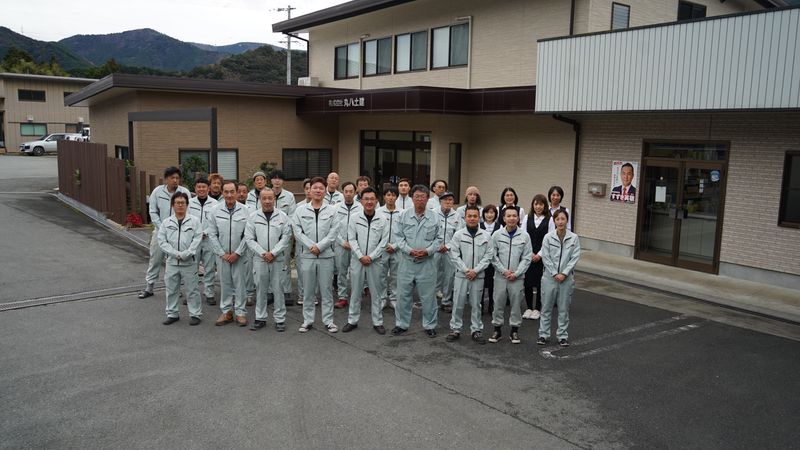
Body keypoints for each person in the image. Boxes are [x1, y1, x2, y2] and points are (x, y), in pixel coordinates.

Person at [392, 184, 441, 337]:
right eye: (417, 196)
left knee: (428, 297)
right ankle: (401, 324)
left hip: (427, 263)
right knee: (403, 296)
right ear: (412, 198)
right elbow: (398, 237)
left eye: (423, 196)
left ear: (427, 198)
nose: (420, 199)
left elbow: (439, 239)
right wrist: (409, 250)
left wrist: (428, 251)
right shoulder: (403, 215)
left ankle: (430, 325)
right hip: (407, 262)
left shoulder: (435, 217)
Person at [293, 177, 339, 333]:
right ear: (309, 190)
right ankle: (307, 320)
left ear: (325, 191)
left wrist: (319, 247)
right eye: (315, 188)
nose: (318, 190)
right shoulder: (300, 210)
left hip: (326, 256)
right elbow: (297, 232)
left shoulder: (332, 210)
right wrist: (311, 246)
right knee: (308, 291)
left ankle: (328, 321)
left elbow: (333, 232)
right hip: (307, 256)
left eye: (321, 188)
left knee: (326, 290)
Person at [138, 166, 191, 299]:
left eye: (177, 178)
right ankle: (149, 287)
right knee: (155, 259)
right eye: (172, 178)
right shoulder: (157, 192)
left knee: (175, 262)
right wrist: (162, 227)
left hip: (178, 233)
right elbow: (153, 211)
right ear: (166, 179)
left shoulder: (184, 192)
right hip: (159, 231)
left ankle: (175, 288)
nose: (175, 180)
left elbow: (188, 211)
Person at [342, 187, 390, 334]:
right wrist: (360, 256)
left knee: (376, 293)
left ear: (376, 201)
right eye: (366, 199)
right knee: (355, 292)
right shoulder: (355, 218)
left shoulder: (383, 219)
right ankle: (352, 320)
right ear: (361, 201)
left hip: (375, 261)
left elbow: (384, 241)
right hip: (358, 260)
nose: (369, 202)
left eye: (372, 199)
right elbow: (351, 239)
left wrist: (371, 257)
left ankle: (378, 322)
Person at [245, 188, 292, 332]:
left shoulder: (283, 217)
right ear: (259, 200)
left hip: (277, 259)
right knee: (261, 290)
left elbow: (286, 237)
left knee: (278, 290)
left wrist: (273, 253)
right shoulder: (253, 217)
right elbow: (249, 238)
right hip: (260, 259)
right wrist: (262, 253)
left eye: (270, 198)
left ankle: (280, 319)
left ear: (274, 199)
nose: (267, 201)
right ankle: (260, 318)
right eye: (264, 198)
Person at [447, 205, 494, 344]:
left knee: (476, 304)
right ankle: (455, 329)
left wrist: (476, 270)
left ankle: (476, 330)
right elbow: (454, 255)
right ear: (465, 218)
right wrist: (466, 270)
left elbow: (488, 256)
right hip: (462, 275)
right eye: (469, 216)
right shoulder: (458, 235)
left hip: (478, 276)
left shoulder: (486, 236)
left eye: (475, 216)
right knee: (458, 303)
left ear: (479, 218)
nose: (472, 218)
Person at [207, 181, 251, 327]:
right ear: (222, 193)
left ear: (237, 192)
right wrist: (222, 253)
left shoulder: (246, 211)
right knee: (225, 284)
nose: (229, 195)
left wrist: (238, 253)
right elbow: (212, 234)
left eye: (232, 191)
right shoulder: (215, 211)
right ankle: (226, 312)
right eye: (226, 192)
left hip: (240, 255)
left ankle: (240, 312)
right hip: (223, 256)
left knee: (240, 285)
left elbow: (248, 234)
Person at [158, 192, 204, 325]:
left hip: (189, 262)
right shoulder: (166, 222)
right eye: (177, 203)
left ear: (187, 205)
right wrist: (175, 254)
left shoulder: (195, 221)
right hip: (172, 262)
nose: (180, 205)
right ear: (172, 205)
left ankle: (195, 314)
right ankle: (172, 314)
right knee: (171, 289)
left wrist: (187, 253)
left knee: (192, 290)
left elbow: (197, 239)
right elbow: (162, 241)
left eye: (182, 203)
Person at [538, 209, 581, 347]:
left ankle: (562, 335)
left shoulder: (574, 238)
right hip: (549, 278)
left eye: (563, 219)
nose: (560, 222)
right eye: (557, 219)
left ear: (567, 220)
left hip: (566, 279)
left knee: (563, 309)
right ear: (554, 221)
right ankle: (543, 334)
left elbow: (575, 257)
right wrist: (554, 273)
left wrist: (564, 273)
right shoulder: (548, 237)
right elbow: (546, 257)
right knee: (546, 308)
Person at [489, 207, 532, 344]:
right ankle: (497, 330)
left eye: (514, 216)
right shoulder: (496, 235)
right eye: (509, 216)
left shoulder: (525, 236)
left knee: (516, 304)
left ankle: (514, 330)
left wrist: (517, 273)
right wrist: (503, 271)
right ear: (504, 218)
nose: (512, 218)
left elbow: (527, 257)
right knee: (498, 303)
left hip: (517, 277)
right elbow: (492, 256)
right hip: (500, 276)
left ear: (518, 218)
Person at [521, 194, 554, 320]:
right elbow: (523, 237)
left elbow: (550, 239)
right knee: (528, 282)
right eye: (536, 204)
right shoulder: (527, 217)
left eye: (541, 204)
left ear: (545, 206)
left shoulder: (550, 219)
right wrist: (529, 253)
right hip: (528, 255)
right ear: (532, 205)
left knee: (540, 283)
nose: (538, 207)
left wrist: (540, 254)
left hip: (542, 257)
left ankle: (538, 309)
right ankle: (529, 307)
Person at [187, 177, 219, 305]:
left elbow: (215, 222)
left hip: (209, 240)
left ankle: (209, 293)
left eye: (204, 187)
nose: (201, 189)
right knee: (192, 268)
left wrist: (205, 232)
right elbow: (187, 219)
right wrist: (196, 233)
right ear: (195, 189)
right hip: (193, 240)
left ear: (208, 188)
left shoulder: (215, 204)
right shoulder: (189, 203)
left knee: (209, 268)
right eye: (199, 187)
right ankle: (191, 294)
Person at [333, 182, 363, 309]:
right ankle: (342, 297)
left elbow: (362, 228)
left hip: (356, 246)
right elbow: (333, 228)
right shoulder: (336, 208)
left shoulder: (360, 207)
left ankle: (356, 297)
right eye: (346, 191)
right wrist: (342, 242)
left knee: (356, 273)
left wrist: (354, 243)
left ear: (355, 192)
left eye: (351, 191)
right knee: (341, 272)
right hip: (341, 245)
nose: (349, 194)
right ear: (342, 192)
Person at [270, 170, 297, 305]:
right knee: (270, 264)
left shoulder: (289, 196)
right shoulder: (266, 194)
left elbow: (292, 216)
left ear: (283, 181)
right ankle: (270, 292)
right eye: (274, 178)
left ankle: (286, 292)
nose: (277, 181)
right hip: (269, 235)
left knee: (285, 265)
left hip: (285, 235)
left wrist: (284, 232)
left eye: (279, 178)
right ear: (271, 180)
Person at [377, 185, 401, 310]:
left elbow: (404, 232)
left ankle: (393, 298)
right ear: (384, 197)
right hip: (382, 249)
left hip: (397, 249)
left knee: (395, 275)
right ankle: (382, 298)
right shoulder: (378, 212)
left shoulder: (402, 213)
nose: (391, 198)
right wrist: (384, 245)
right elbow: (376, 232)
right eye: (388, 195)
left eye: (393, 195)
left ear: (397, 197)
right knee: (381, 275)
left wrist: (395, 246)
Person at [435, 191, 459, 312]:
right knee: (433, 275)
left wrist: (448, 246)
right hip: (435, 249)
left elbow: (458, 234)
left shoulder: (457, 215)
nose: (448, 202)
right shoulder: (433, 213)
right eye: (445, 200)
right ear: (440, 201)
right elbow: (429, 232)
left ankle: (446, 301)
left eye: (450, 200)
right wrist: (437, 245)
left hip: (450, 250)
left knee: (449, 276)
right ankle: (431, 300)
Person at [480, 204, 501, 315]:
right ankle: (480, 305)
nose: (489, 215)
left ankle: (491, 306)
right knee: (481, 283)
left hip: (494, 259)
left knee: (493, 283)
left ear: (495, 214)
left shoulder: (499, 226)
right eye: (487, 212)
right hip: (481, 258)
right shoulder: (479, 225)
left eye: (492, 212)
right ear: (483, 214)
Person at [294, 178, 313, 305]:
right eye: (306, 188)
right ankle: (302, 294)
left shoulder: (323, 206)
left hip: (317, 246)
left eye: (311, 188)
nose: (309, 191)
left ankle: (313, 295)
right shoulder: (298, 207)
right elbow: (296, 228)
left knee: (314, 272)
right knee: (301, 271)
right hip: (302, 245)